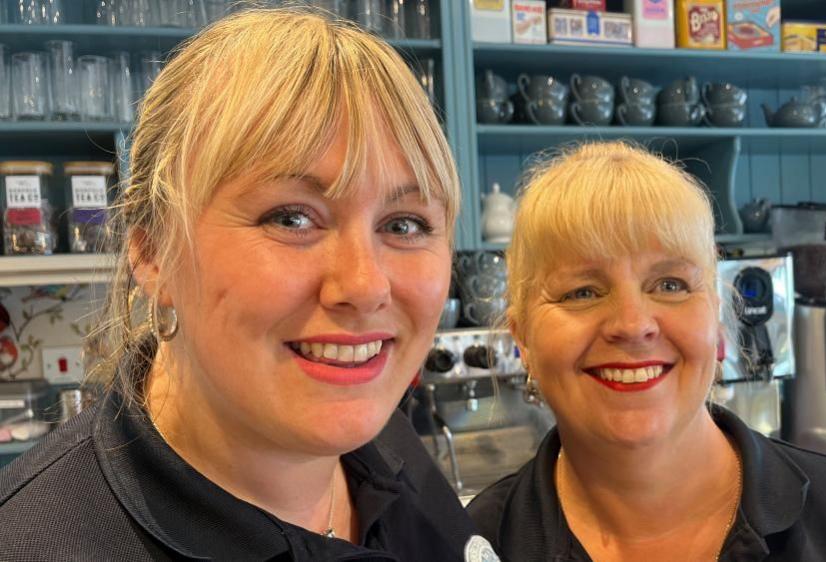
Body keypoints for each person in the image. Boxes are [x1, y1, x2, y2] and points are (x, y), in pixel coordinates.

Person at [0, 8, 497, 561]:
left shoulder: (384, 444)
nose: (363, 285)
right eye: (291, 218)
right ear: (152, 252)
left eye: (405, 225)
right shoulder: (36, 542)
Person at [466, 141, 826, 561]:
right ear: (523, 338)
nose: (633, 325)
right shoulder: (472, 543)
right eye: (582, 292)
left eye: (670, 284)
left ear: (717, 325)